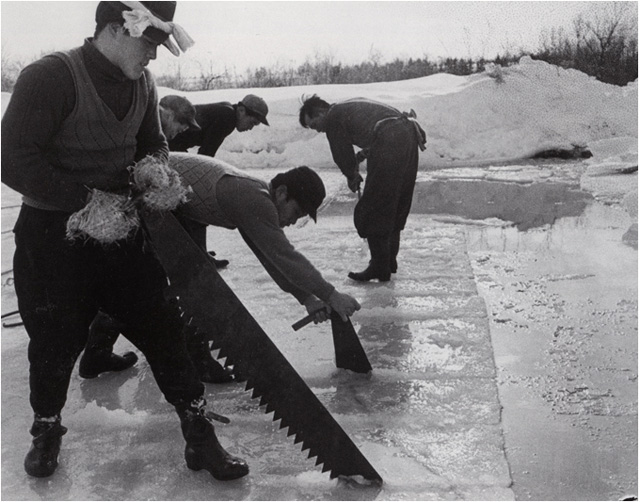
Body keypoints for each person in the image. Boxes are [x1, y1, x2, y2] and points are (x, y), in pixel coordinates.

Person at [1, 1, 248, 481]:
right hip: (54, 236)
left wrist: (153, 167)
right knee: (53, 343)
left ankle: (199, 436)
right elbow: (12, 159)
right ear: (115, 29)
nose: (154, 55)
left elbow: (152, 142)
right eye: (149, 41)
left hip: (122, 229)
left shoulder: (142, 82)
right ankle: (46, 430)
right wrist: (83, 202)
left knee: (165, 330)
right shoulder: (49, 78)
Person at [80, 153, 362, 383]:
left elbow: (270, 258)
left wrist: (307, 298)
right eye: (296, 213)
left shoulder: (256, 196)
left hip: (178, 208)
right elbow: (284, 256)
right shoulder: (254, 199)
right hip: (149, 200)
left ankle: (106, 352)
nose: (290, 222)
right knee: (157, 286)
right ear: (283, 193)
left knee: (195, 283)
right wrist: (331, 294)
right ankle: (189, 360)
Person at [299, 95, 427, 282]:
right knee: (395, 202)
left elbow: (340, 150)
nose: (316, 129)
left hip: (390, 137)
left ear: (320, 112)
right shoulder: (347, 107)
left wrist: (351, 175)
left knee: (374, 207)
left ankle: (379, 266)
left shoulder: (334, 116)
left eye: (313, 124)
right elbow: (375, 127)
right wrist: (362, 156)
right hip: (408, 134)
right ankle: (389, 261)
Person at [161, 93, 270, 268]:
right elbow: (206, 157)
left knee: (192, 195)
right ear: (241, 110)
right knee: (196, 198)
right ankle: (199, 253)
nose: (251, 128)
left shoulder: (226, 111)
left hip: (173, 145)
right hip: (170, 143)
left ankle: (198, 250)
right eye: (252, 122)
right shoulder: (227, 117)